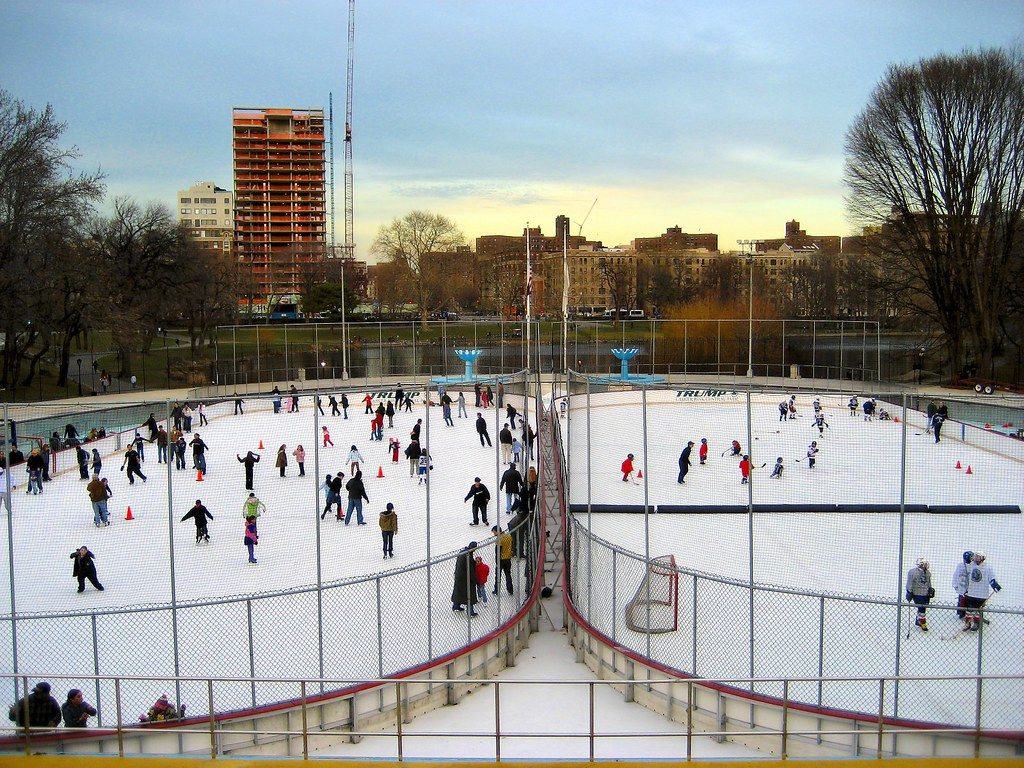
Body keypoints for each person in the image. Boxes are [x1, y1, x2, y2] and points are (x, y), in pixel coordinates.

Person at [963, 552, 1001, 631]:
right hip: (971, 592)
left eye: (979, 557)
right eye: (976, 556)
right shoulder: (971, 565)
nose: (976, 558)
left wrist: (994, 584)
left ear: (983, 558)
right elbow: (965, 567)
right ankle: (967, 623)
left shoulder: (987, 567)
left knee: (979, 610)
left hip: (982, 594)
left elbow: (991, 578)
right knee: (969, 609)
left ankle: (977, 623)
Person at [905, 557, 934, 631]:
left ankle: (918, 620)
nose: (926, 565)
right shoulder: (913, 572)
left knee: (923, 608)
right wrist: (909, 592)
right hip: (917, 594)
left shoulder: (927, 573)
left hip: (926, 594)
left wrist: (930, 589)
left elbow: (928, 583)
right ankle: (922, 622)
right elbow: (910, 583)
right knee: (922, 609)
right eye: (925, 564)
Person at [451, 541, 479, 615]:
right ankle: (470, 611)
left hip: (459, 576)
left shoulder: (463, 552)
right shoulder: (468, 556)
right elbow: (470, 570)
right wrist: (475, 580)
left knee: (459, 591)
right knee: (470, 594)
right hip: (465, 578)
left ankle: (456, 606)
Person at [491, 525, 514, 595]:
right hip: (508, 558)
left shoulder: (499, 539)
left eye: (494, 532)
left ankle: (496, 590)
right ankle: (510, 589)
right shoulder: (508, 536)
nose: (494, 534)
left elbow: (498, 552)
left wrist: (497, 561)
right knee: (508, 574)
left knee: (498, 575)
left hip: (501, 559)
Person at [952, 550, 974, 619]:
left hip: (970, 587)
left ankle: (968, 613)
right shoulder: (960, 565)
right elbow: (956, 575)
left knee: (968, 600)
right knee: (961, 599)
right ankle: (961, 612)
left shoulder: (973, 566)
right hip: (962, 586)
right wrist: (955, 584)